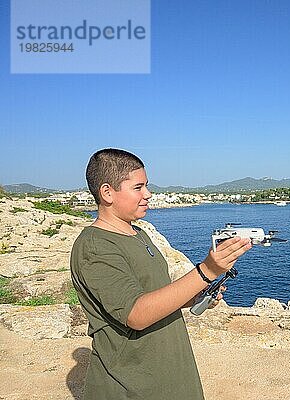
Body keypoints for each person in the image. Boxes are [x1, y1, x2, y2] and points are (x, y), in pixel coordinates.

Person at [70, 148, 251, 399]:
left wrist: (196, 296)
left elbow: (154, 296)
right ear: (107, 192)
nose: (148, 194)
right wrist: (207, 270)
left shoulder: (139, 233)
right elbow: (136, 314)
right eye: (138, 187)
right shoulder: (95, 246)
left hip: (168, 379)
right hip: (131, 387)